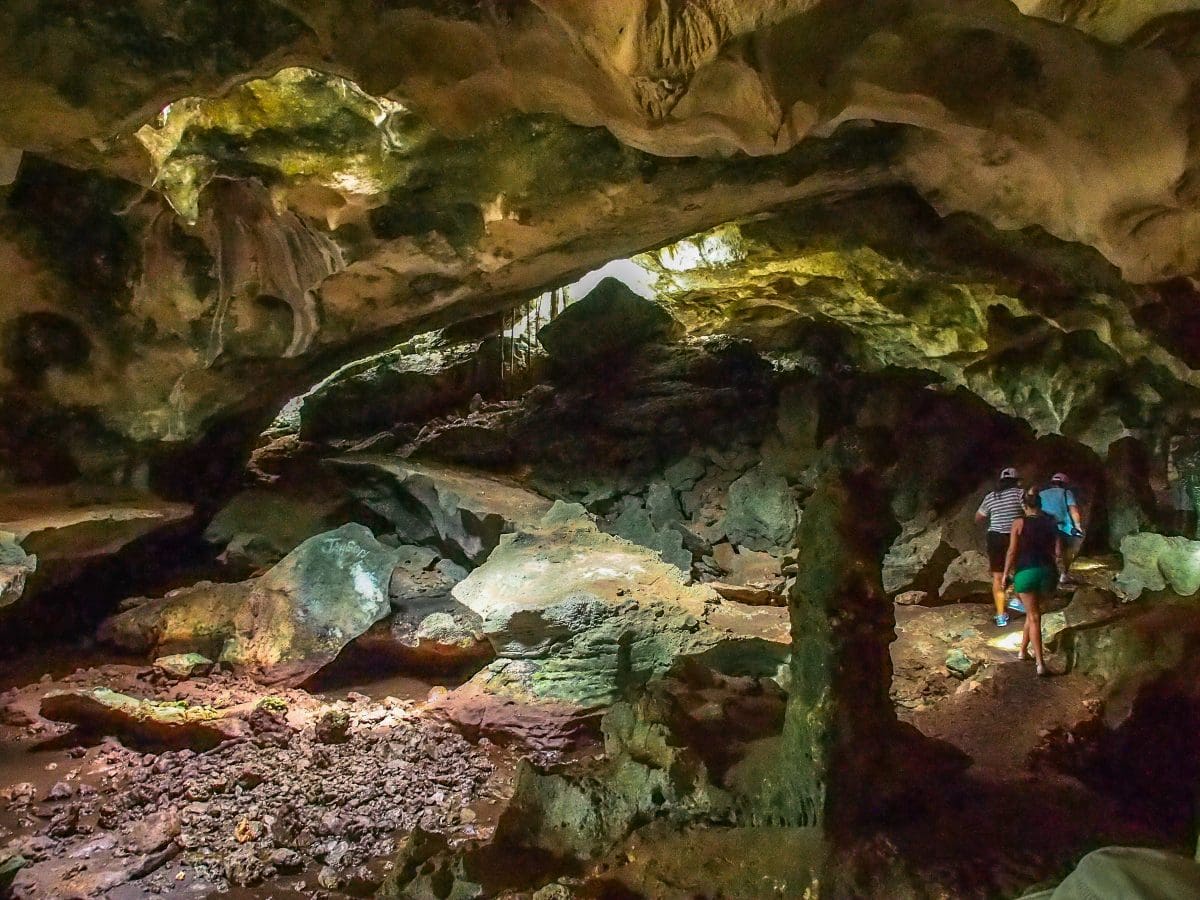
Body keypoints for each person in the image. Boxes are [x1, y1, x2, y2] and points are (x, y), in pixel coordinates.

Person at [1003, 489, 1060, 676]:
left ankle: (1040, 663)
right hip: (1048, 571)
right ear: (1040, 504)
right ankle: (1022, 651)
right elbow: (1058, 551)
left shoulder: (1019, 523)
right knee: (1033, 613)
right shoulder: (1051, 523)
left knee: (1034, 616)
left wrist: (1005, 574)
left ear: (1024, 505)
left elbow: (1012, 551)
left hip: (1026, 571)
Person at [976, 467, 1025, 627]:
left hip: (995, 537)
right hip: (1014, 536)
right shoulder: (1020, 493)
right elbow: (1029, 510)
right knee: (1019, 569)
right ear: (1016, 481)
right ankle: (1017, 600)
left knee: (997, 577)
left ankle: (1001, 615)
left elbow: (979, 517)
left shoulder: (991, 496)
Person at [1040, 472, 1085, 584]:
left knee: (1046, 551)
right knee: (1064, 551)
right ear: (1065, 483)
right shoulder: (1066, 493)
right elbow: (1073, 510)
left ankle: (1046, 574)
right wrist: (1078, 526)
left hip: (1043, 526)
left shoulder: (1041, 494)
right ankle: (1063, 574)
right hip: (1061, 527)